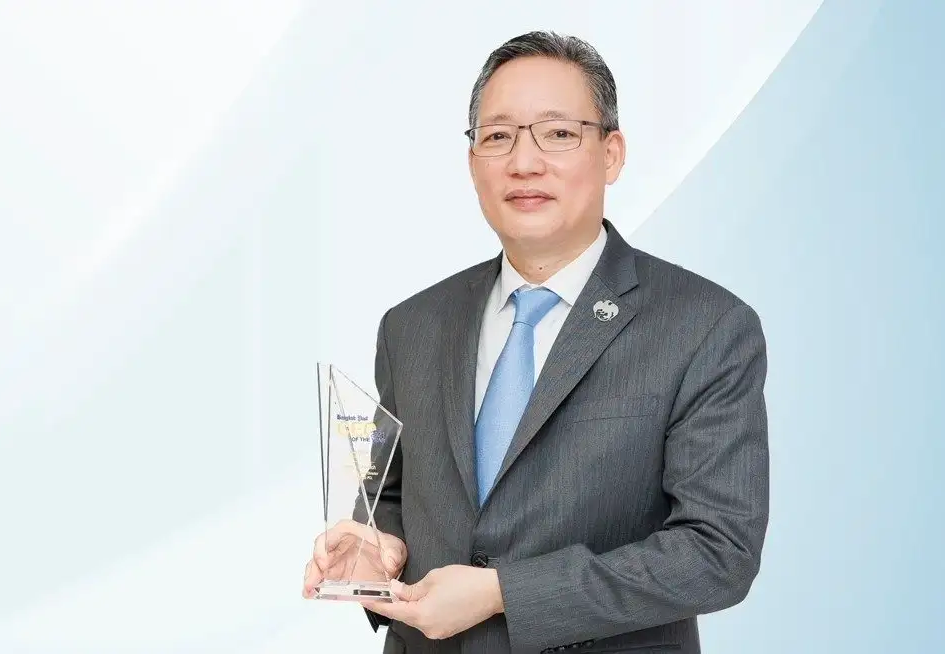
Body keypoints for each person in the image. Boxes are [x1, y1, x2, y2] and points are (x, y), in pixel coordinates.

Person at [303, 30, 769, 654]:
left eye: (558, 133)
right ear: (473, 162)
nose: (524, 162)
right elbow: (388, 493)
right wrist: (379, 548)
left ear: (611, 154)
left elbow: (718, 552)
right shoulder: (411, 326)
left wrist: (505, 591)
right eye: (498, 136)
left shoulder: (704, 326)